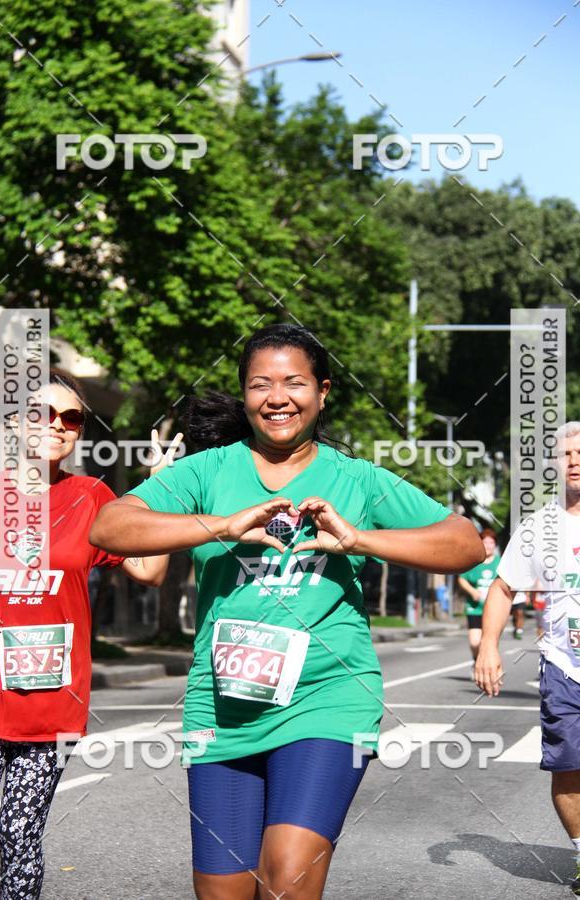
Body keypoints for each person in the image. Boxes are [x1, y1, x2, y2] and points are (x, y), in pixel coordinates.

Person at [91, 323, 484, 900]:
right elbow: (111, 526)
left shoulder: (357, 479)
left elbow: (464, 543)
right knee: (223, 892)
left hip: (327, 699)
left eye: (294, 383)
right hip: (223, 704)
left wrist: (359, 541)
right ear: (246, 396)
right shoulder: (207, 472)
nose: (277, 398)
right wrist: (223, 525)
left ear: (323, 392)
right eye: (260, 385)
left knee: (287, 877)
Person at [0, 368, 174, 900]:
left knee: (19, 834)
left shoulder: (90, 495)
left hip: (51, 701)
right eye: (45, 413)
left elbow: (149, 571)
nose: (61, 426)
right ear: (11, 421)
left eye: (73, 418)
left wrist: (159, 489)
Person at [476, 422, 580, 895]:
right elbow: (502, 588)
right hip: (564, 666)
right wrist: (490, 645)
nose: (573, 460)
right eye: (565, 454)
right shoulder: (541, 526)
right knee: (568, 766)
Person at [458, 528, 500, 663]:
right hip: (475, 608)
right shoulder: (474, 561)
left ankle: (487, 666)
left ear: (495, 545)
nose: (488, 546)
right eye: (485, 542)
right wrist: (472, 591)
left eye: (491, 543)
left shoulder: (500, 563)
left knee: (488, 642)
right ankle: (477, 661)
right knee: (475, 642)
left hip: (494, 610)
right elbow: (462, 578)